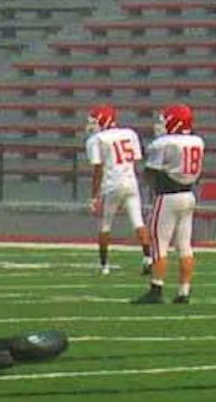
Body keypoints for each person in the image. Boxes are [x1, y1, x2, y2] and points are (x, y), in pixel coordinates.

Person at [136, 104, 204, 305]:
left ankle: (156, 288)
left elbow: (151, 171)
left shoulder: (164, 143)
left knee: (160, 244)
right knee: (185, 246)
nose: (161, 124)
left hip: (167, 196)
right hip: (189, 195)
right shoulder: (197, 141)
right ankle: (184, 291)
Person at [85, 104, 150, 277]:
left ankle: (104, 265)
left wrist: (94, 197)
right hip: (130, 182)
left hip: (112, 185)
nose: (91, 125)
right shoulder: (129, 133)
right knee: (138, 222)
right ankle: (148, 258)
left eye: (93, 121)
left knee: (105, 225)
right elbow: (135, 161)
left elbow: (98, 170)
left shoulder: (97, 140)